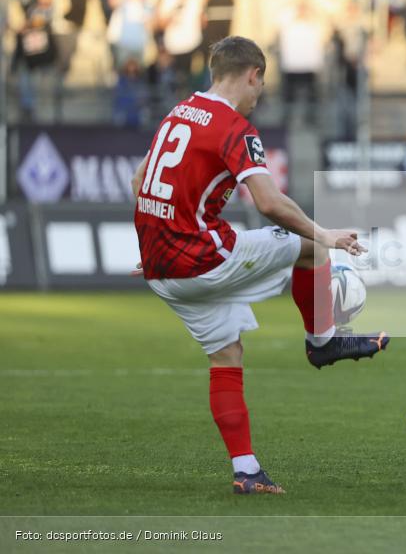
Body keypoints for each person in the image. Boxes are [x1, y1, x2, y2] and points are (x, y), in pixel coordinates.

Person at [132, 36, 390, 495]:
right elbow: (269, 203)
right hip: (204, 260)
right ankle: (323, 342)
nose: (259, 95)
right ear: (253, 75)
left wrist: (158, 243)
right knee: (312, 247)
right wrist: (325, 234)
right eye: (260, 85)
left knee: (226, 355)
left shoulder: (179, 111)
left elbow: (140, 180)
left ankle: (247, 471)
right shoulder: (233, 127)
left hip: (163, 270)